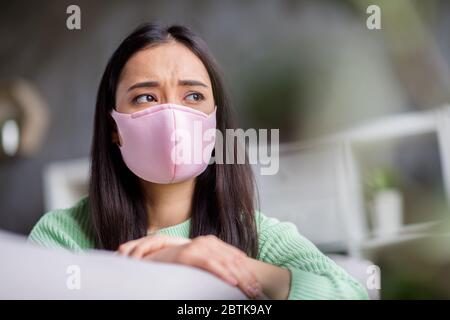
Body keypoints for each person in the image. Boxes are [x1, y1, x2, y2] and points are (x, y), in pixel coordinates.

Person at [29, 22, 368, 300]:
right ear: (114, 127)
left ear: (214, 124)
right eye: (145, 97)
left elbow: (349, 294)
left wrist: (237, 267)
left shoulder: (256, 234)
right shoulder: (62, 236)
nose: (173, 115)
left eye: (193, 96)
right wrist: (160, 262)